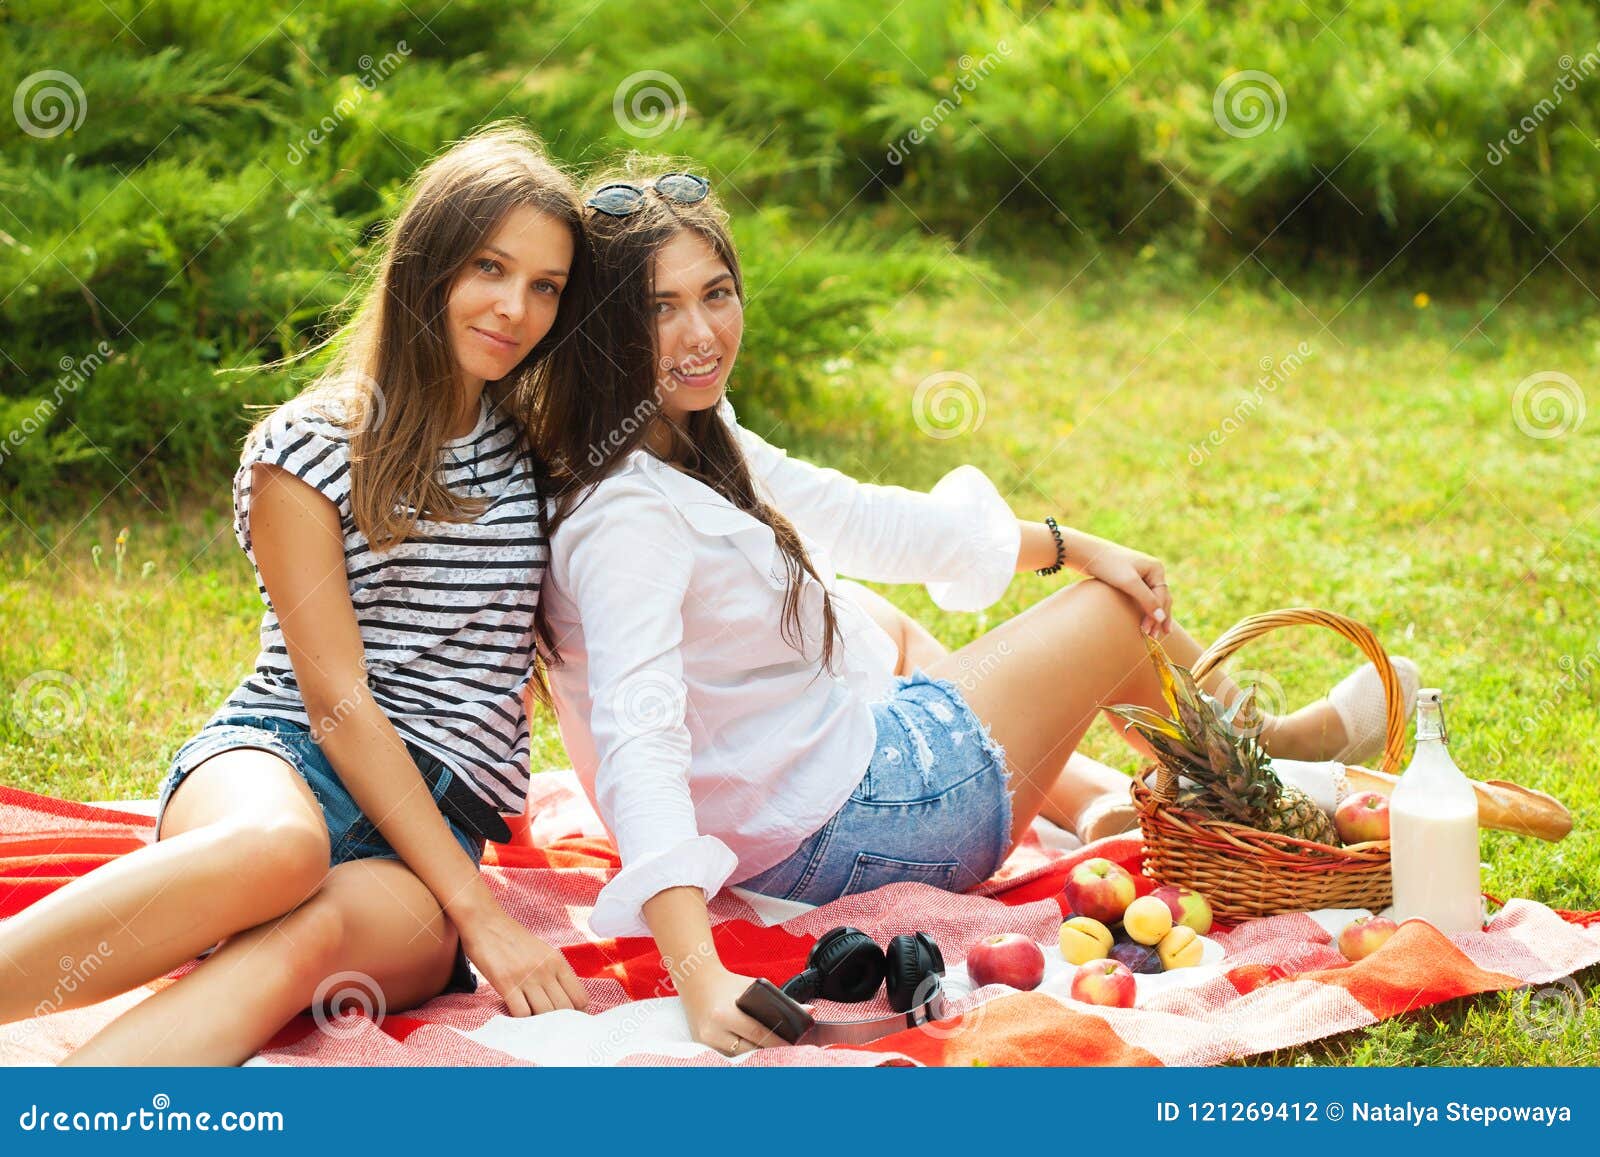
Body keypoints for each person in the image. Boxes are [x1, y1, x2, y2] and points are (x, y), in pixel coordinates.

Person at [528, 170, 1417, 1058]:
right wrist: (699, 975)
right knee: (1111, 617)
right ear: (600, 327)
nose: (701, 333)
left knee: (873, 618)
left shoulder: (682, 433)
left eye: (716, 293)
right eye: (659, 309)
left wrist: (1070, 541)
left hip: (786, 822)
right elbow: (639, 737)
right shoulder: (626, 518)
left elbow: (866, 518)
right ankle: (1265, 762)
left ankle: (1109, 794)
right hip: (859, 832)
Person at [0, 124, 591, 1064]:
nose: (514, 306)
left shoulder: (537, 453)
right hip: (281, 760)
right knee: (282, 852)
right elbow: (335, 701)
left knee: (303, 937)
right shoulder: (309, 446)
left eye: (546, 286)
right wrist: (483, 914)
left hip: (428, 842)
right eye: (489, 266)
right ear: (427, 265)